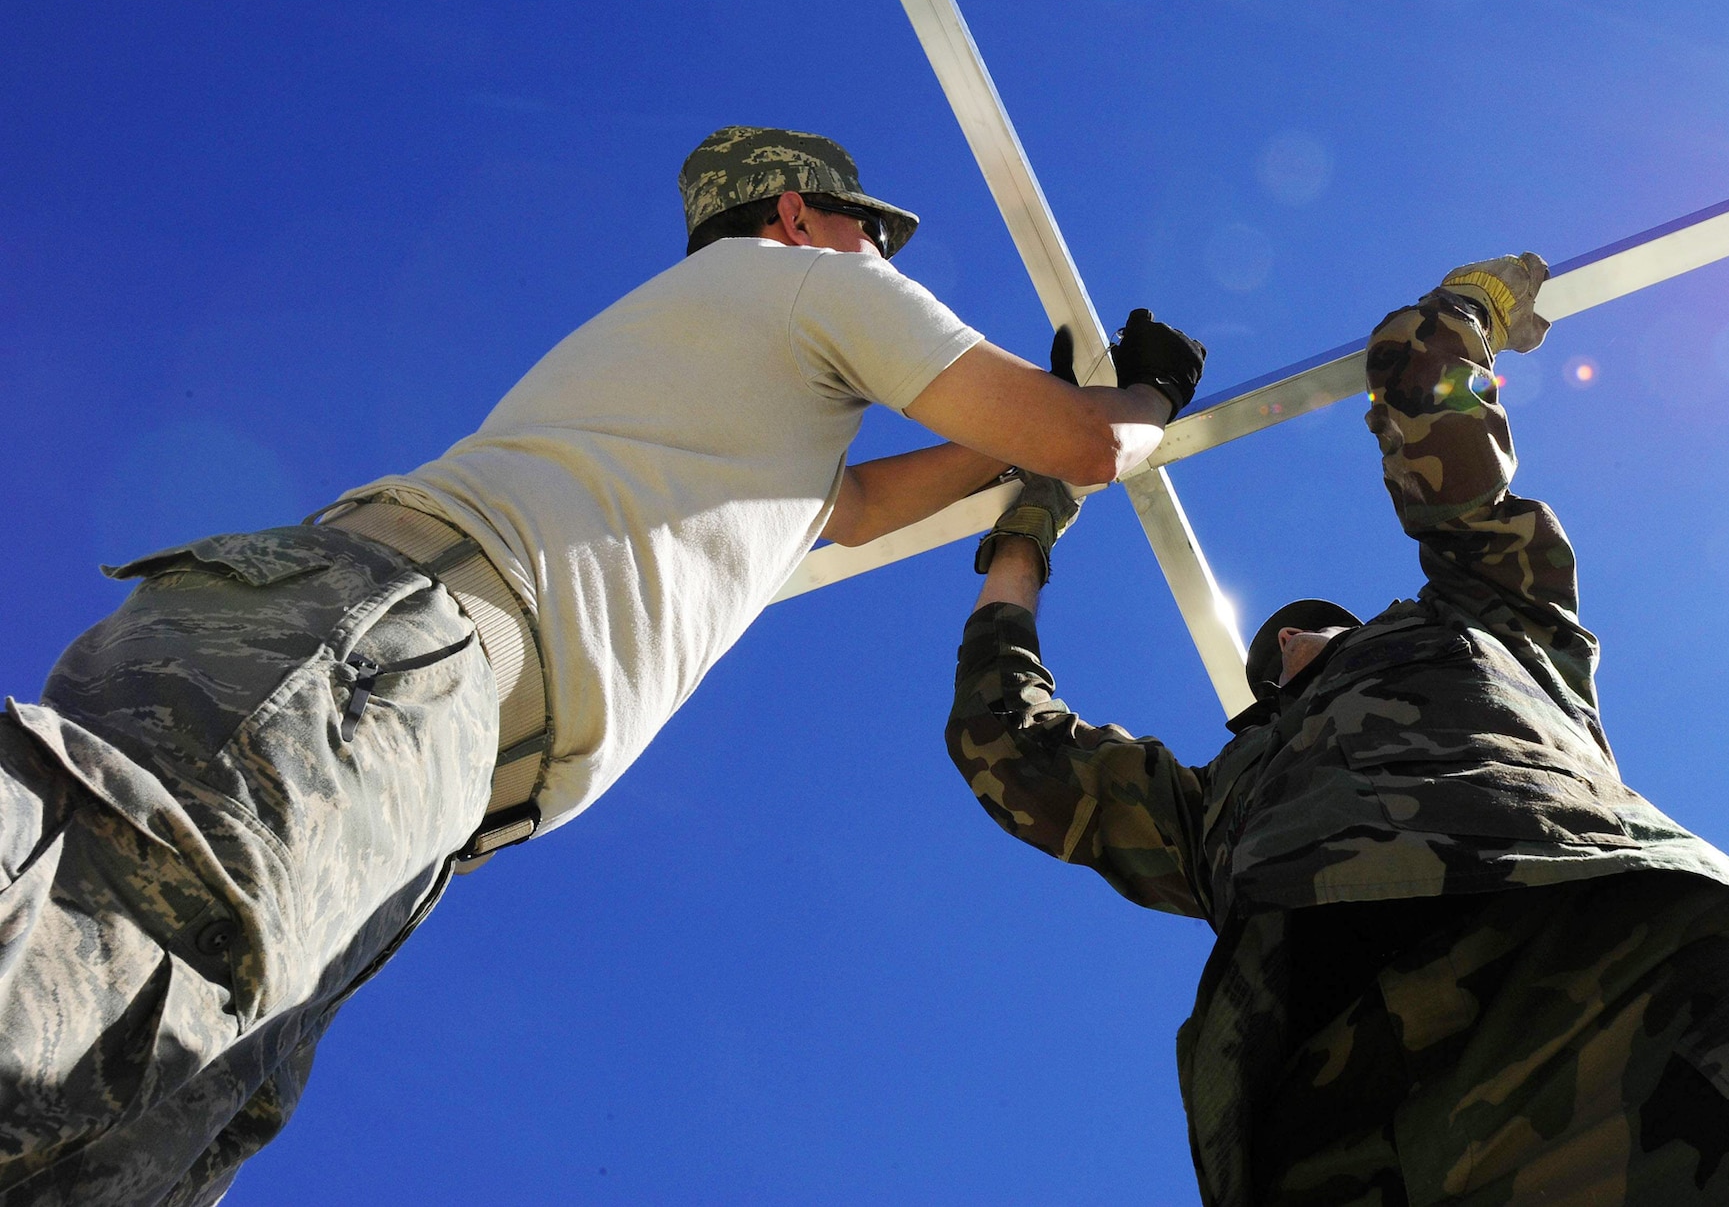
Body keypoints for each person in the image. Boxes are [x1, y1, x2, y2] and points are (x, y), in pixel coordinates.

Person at [0, 124, 1207, 1205]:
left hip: (412, 720)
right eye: (867, 228)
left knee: (125, 1124)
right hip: (381, 662)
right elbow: (1089, 446)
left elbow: (856, 505)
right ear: (796, 214)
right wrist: (1136, 396)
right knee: (87, 967)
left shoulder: (739, 383)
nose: (881, 252)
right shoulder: (797, 285)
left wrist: (1035, 428)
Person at [947, 254, 1729, 1206]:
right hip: (1356, 1122)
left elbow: (1421, 399)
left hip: (1641, 995)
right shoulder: (1218, 798)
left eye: (1312, 627)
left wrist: (1460, 316)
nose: (1291, 648)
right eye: (1272, 654)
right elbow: (1007, 741)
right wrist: (1027, 529)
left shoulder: (1497, 622)